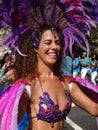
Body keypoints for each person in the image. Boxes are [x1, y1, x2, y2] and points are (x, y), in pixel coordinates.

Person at [0, 0, 98, 130]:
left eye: (57, 42)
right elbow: (9, 121)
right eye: (48, 42)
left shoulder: (67, 83)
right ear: (36, 47)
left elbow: (94, 109)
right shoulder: (28, 86)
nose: (54, 47)